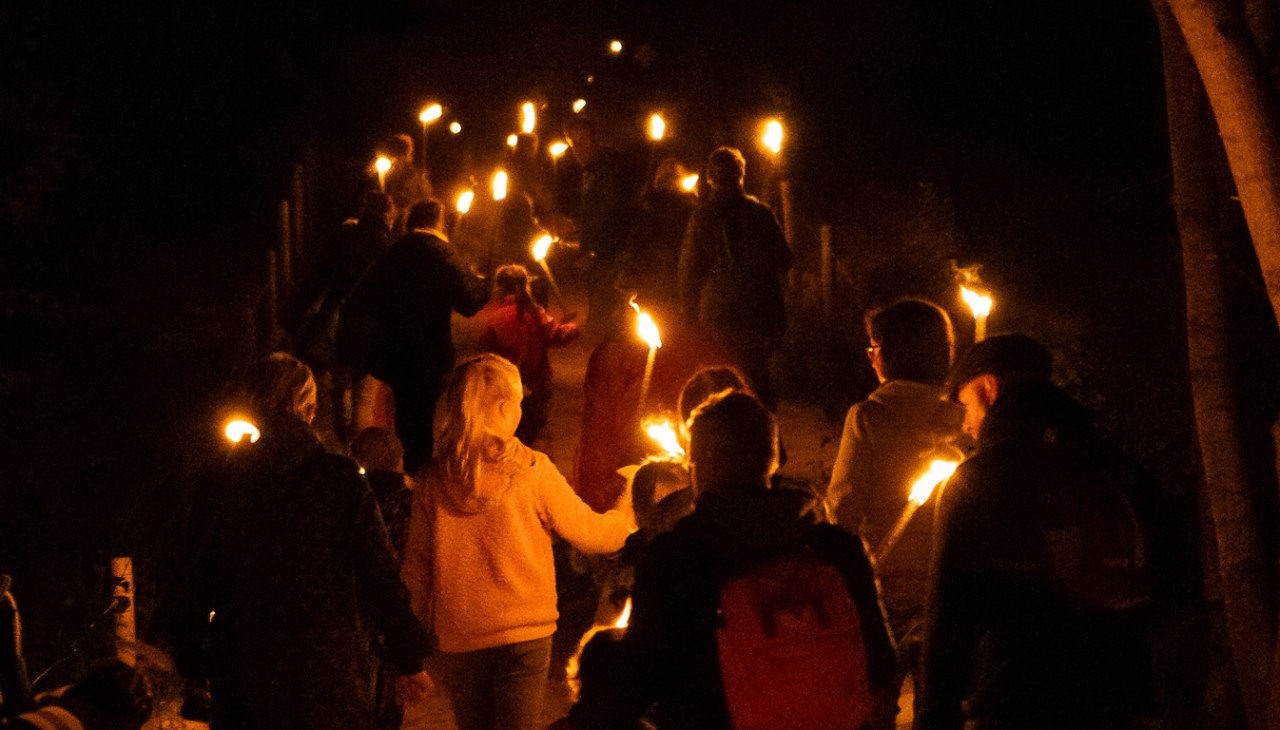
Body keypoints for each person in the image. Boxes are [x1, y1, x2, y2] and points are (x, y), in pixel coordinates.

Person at [568, 391, 896, 729]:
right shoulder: (839, 549)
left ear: (706, 460)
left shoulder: (680, 558)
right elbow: (880, 664)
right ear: (771, 457)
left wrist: (598, 663)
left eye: (691, 461)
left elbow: (635, 683)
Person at [916, 335, 1165, 730]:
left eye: (966, 406)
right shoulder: (1112, 463)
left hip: (1013, 698)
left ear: (988, 388)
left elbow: (949, 613)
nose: (966, 425)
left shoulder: (979, 480)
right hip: (1117, 696)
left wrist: (934, 718)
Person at [172, 353, 431, 729]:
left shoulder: (223, 480)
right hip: (326, 673)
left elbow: (196, 575)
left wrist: (192, 661)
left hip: (244, 672)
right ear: (308, 409)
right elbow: (379, 576)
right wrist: (408, 656)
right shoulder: (339, 480)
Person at [399, 353, 634, 730]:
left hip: (461, 637)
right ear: (506, 408)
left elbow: (415, 569)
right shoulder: (531, 471)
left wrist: (410, 648)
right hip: (525, 633)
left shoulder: (431, 480)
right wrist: (627, 514)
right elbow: (591, 535)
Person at [826, 299, 967, 722]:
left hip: (885, 585)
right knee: (939, 702)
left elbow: (844, 504)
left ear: (891, 353)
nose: (869, 357)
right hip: (948, 582)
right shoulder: (964, 417)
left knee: (876, 698)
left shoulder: (869, 417)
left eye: (873, 347)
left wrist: (841, 567)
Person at [350, 199, 489, 473]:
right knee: (421, 423)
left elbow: (362, 298)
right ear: (439, 221)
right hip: (428, 354)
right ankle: (416, 480)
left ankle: (397, 473)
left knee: (403, 418)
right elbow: (469, 303)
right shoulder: (443, 253)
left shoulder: (394, 252)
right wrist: (487, 283)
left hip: (392, 354)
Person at [677, 147, 792, 409]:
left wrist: (688, 319)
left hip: (718, 313)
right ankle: (766, 438)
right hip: (759, 311)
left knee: (721, 380)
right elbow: (785, 260)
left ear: (709, 178)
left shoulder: (703, 216)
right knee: (757, 379)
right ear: (742, 174)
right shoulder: (760, 213)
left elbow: (689, 272)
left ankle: (729, 436)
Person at [292, 192, 397, 441]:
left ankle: (343, 439)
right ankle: (359, 453)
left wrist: (298, 310)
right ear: (386, 214)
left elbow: (317, 276)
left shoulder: (344, 237)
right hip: (369, 326)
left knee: (341, 386)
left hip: (338, 322)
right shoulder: (387, 247)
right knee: (364, 396)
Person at [477, 264, 579, 444]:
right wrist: (571, 328)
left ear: (499, 287)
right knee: (527, 441)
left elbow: (486, 355)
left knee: (503, 439)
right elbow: (556, 335)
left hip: (504, 389)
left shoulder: (494, 318)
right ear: (525, 286)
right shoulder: (536, 314)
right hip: (534, 387)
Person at [563, 116, 642, 338]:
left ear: (596, 139)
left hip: (611, 261)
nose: (578, 149)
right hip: (598, 260)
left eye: (583, 141)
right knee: (600, 321)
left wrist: (595, 251)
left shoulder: (612, 172)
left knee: (607, 326)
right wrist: (577, 233)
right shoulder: (589, 171)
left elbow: (619, 219)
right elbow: (597, 214)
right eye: (573, 143)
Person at [616, 158, 697, 313]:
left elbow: (635, 245)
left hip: (660, 281)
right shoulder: (687, 209)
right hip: (667, 279)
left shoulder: (688, 209)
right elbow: (636, 244)